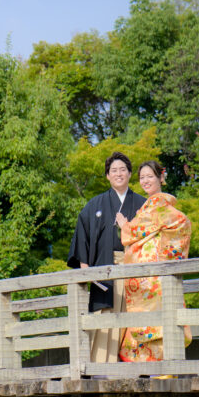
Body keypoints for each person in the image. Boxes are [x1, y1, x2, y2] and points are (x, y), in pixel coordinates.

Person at [67, 153, 146, 362]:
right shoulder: (95, 205)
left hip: (133, 269)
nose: (118, 174)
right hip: (104, 268)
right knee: (105, 316)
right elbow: (82, 232)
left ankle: (135, 367)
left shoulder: (143, 204)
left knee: (135, 316)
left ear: (130, 174)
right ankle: (103, 369)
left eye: (123, 170)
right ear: (107, 176)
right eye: (114, 171)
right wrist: (84, 264)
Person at [115, 160, 192, 362]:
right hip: (155, 276)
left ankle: (156, 369)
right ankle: (164, 368)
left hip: (153, 277)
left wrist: (124, 225)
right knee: (161, 320)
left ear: (161, 178)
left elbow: (134, 231)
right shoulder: (153, 207)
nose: (145, 181)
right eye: (142, 178)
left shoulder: (157, 206)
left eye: (150, 176)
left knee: (152, 321)